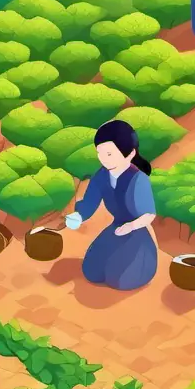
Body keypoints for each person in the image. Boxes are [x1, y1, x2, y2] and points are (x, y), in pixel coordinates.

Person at [64, 120, 158, 291]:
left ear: (129, 154)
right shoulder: (101, 175)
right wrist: (78, 216)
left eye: (109, 154)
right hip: (116, 228)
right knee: (91, 272)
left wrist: (131, 226)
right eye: (100, 153)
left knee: (120, 280)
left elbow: (149, 214)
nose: (103, 159)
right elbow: (90, 201)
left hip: (135, 234)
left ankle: (143, 266)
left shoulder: (138, 179)